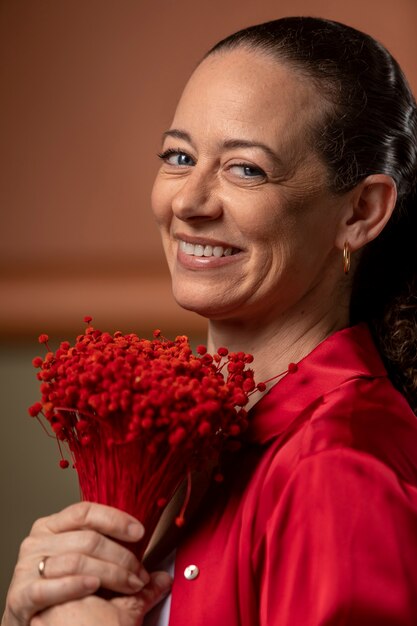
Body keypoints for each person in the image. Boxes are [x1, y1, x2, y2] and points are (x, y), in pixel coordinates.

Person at [3, 15, 417, 626]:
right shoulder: (194, 442)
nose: (187, 202)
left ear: (360, 211)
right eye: (179, 156)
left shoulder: (340, 467)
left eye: (245, 168)